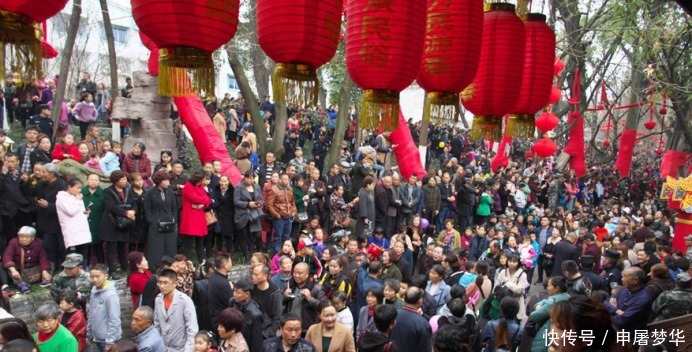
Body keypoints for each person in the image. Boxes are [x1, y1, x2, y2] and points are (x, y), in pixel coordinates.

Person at [154, 269, 198, 352]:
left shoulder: (184, 300)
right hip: (164, 347)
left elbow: (192, 329)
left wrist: (188, 349)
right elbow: (157, 324)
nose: (162, 286)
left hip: (181, 348)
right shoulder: (158, 299)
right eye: (160, 282)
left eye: (165, 283)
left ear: (175, 283)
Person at [101, 170, 135, 279]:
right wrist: (125, 213)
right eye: (122, 179)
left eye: (125, 178)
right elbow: (111, 206)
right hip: (112, 222)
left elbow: (134, 203)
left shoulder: (128, 190)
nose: (125, 181)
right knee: (111, 247)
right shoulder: (107, 191)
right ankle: (112, 270)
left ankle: (125, 267)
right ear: (116, 181)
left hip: (124, 223)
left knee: (122, 246)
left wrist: (133, 211)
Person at [603, 266, 652, 339]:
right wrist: (616, 310)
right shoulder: (624, 289)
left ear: (635, 280)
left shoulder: (643, 298)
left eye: (625, 276)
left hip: (630, 337)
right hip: (615, 332)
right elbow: (606, 302)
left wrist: (611, 311)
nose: (622, 279)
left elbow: (621, 321)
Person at [144, 170, 178, 267]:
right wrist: (151, 220)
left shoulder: (170, 192)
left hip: (169, 222)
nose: (168, 183)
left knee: (170, 245)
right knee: (156, 246)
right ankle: (156, 266)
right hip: (156, 222)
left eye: (168, 180)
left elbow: (174, 207)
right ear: (159, 181)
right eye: (166, 180)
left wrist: (174, 219)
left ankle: (170, 265)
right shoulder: (151, 193)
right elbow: (147, 208)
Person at [3, 226, 51, 292]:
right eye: (21, 237)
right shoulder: (13, 242)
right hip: (19, 269)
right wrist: (13, 270)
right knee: (9, 268)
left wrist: (44, 270)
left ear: (33, 238)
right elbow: (7, 256)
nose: (23, 239)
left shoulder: (39, 243)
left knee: (50, 263)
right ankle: (21, 285)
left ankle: (45, 281)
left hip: (34, 268)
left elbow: (43, 258)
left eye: (27, 237)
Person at [528, 276, 570, 352]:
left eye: (549, 286)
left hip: (546, 335)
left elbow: (534, 316)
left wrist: (538, 306)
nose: (547, 288)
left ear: (557, 288)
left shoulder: (552, 302)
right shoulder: (568, 297)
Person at [87, 264, 122, 352]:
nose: (94, 280)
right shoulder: (94, 290)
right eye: (92, 277)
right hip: (97, 338)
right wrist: (90, 332)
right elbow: (91, 313)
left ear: (106, 276)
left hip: (108, 340)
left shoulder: (111, 295)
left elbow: (114, 319)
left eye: (98, 277)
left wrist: (109, 342)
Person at [56, 178, 92, 261]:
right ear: (69, 187)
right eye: (77, 188)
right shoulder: (62, 198)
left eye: (80, 188)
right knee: (73, 257)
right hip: (72, 232)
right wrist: (78, 201)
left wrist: (86, 212)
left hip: (82, 231)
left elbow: (80, 212)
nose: (79, 190)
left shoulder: (76, 197)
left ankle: (82, 271)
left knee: (83, 256)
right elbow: (71, 211)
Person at [180, 170, 212, 262]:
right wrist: (203, 201)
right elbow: (196, 198)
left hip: (199, 218)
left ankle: (202, 262)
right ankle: (184, 263)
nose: (205, 180)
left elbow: (208, 199)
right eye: (204, 178)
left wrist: (203, 204)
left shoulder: (200, 186)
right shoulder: (188, 186)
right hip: (190, 218)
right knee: (188, 244)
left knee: (200, 243)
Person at [389, 286, 432, 352]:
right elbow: (425, 348)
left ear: (405, 298)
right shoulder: (423, 323)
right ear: (420, 301)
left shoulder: (393, 314)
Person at [234, 171, 264, 260]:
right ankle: (246, 255)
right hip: (242, 214)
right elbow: (236, 201)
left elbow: (261, 199)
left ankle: (259, 254)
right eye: (248, 178)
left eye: (251, 178)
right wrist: (248, 204)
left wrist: (259, 204)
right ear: (244, 178)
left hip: (254, 214)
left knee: (258, 235)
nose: (249, 180)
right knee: (244, 235)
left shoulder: (257, 187)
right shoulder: (239, 187)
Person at [227, 278, 263, 352]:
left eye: (238, 293)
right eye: (234, 291)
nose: (234, 294)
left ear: (247, 294)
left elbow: (257, 342)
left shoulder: (255, 314)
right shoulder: (232, 302)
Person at [250, 264, 282, 339]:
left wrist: (269, 334)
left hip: (266, 333)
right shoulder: (252, 288)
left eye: (256, 274)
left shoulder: (275, 293)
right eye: (253, 273)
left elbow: (277, 317)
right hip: (252, 330)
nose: (253, 276)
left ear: (265, 276)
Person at [493, 254, 529, 321]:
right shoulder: (503, 272)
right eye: (510, 261)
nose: (512, 263)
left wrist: (508, 283)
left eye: (514, 262)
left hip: (516, 302)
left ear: (518, 263)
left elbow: (519, 290)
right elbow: (496, 286)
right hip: (503, 302)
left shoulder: (523, 275)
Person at [267, 173, 297, 252]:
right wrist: (276, 215)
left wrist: (294, 211)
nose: (287, 181)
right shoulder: (274, 189)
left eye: (287, 179)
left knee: (286, 237)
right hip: (279, 218)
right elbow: (269, 205)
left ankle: (285, 253)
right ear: (280, 180)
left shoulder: (290, 189)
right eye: (284, 179)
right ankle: (277, 254)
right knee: (277, 237)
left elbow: (293, 202)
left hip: (289, 217)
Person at [83, 173, 105, 264]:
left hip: (98, 223)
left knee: (98, 246)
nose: (93, 182)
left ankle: (101, 265)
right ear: (87, 180)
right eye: (91, 179)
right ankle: (85, 266)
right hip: (84, 224)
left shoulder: (103, 193)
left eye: (96, 180)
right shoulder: (81, 192)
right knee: (85, 246)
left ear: (99, 182)